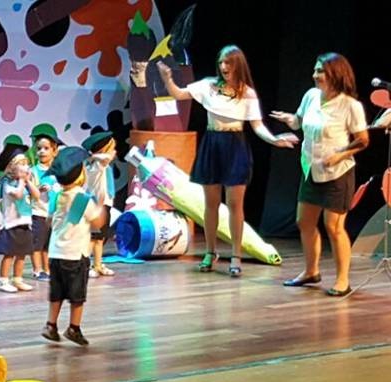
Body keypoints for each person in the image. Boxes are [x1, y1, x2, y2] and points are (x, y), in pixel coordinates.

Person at [158, 45, 297, 277]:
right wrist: (167, 79)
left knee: (235, 205)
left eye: (229, 63)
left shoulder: (247, 93)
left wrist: (275, 140)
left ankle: (236, 255)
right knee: (210, 204)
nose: (224, 67)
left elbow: (258, 126)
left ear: (238, 65)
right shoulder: (208, 85)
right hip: (212, 144)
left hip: (236, 146)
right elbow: (179, 94)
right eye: (221, 62)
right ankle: (210, 252)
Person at [271, 53, 370, 296]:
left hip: (338, 173)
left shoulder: (350, 105)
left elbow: (363, 141)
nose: (315, 76)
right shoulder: (311, 96)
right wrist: (289, 120)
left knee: (334, 227)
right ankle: (311, 271)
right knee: (303, 221)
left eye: (321, 71)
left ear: (336, 74)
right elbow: (299, 121)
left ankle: (342, 280)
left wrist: (339, 155)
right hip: (311, 169)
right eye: (315, 70)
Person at [41, 147, 106, 345]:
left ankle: (51, 325)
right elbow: (97, 223)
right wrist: (101, 206)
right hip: (75, 255)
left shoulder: (58, 196)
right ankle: (74, 328)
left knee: (57, 293)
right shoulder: (81, 198)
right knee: (77, 296)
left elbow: (49, 222)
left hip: (56, 253)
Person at [0, 141, 38, 293]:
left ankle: (18, 278)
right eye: (21, 164)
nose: (25, 167)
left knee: (22, 254)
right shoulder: (7, 183)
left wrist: (28, 181)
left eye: (26, 163)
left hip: (25, 222)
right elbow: (17, 195)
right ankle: (3, 280)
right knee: (9, 254)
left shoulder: (25, 182)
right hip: (12, 223)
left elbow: (36, 196)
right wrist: (22, 181)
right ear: (11, 167)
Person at [83, 132, 118, 278]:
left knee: (99, 238)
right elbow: (106, 158)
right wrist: (94, 155)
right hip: (97, 205)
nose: (114, 152)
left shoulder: (100, 164)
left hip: (105, 204)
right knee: (92, 237)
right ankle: (87, 265)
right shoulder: (97, 165)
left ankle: (98, 264)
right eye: (111, 148)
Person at [29, 133, 63, 281]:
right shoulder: (33, 171)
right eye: (39, 148)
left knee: (48, 244)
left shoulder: (58, 171)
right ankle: (37, 269)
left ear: (54, 151)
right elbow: (28, 191)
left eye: (46, 148)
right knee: (37, 243)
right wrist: (38, 188)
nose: (42, 151)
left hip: (53, 213)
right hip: (38, 212)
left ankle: (47, 269)